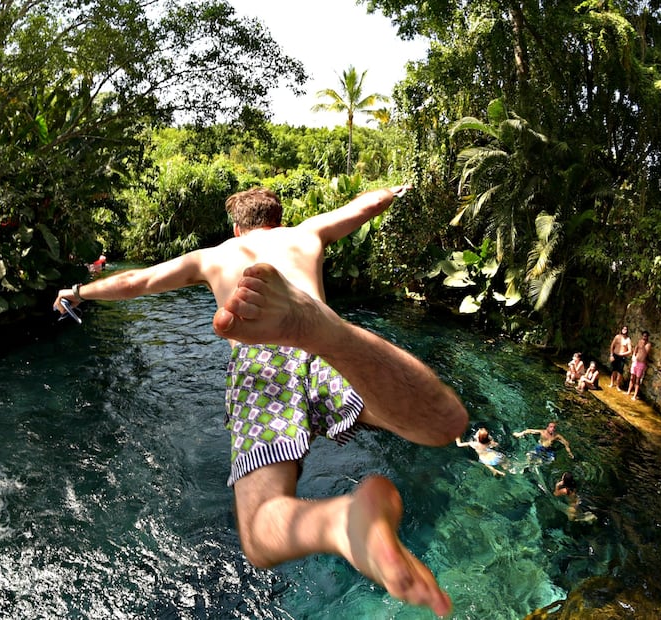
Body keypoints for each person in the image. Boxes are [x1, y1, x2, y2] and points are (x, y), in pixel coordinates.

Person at [53, 185, 468, 617]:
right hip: (319, 346)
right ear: (279, 218)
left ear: (237, 229)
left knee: (261, 529)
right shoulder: (307, 234)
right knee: (435, 425)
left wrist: (78, 291)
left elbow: (138, 281)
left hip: (260, 369)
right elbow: (364, 206)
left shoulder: (213, 256)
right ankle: (328, 330)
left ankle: (341, 524)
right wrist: (392, 192)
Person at [628, 331, 651, 400]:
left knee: (638, 380)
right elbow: (636, 349)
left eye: (646, 336)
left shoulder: (648, 345)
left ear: (647, 337)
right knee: (632, 377)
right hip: (636, 362)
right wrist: (633, 356)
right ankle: (628, 391)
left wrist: (643, 344)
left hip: (641, 363)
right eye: (643, 336)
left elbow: (646, 352)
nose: (644, 337)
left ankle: (634, 396)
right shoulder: (639, 341)